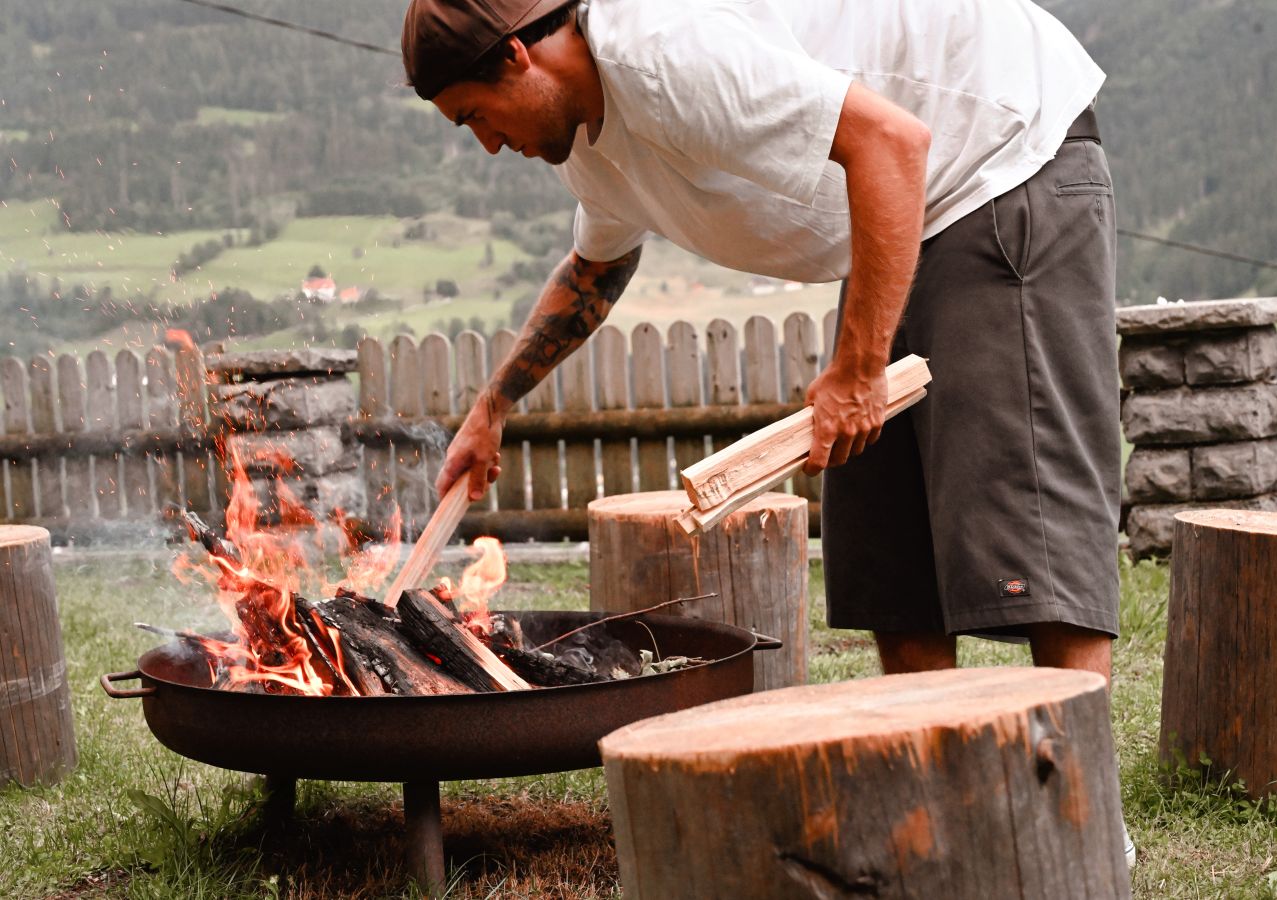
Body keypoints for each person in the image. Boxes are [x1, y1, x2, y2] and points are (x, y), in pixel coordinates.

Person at [403, 0, 1120, 703]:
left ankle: (1085, 818)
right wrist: (492, 408)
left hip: (1001, 153)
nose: (489, 143)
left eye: (475, 116)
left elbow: (890, 142)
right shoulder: (588, 145)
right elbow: (596, 270)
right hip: (900, 209)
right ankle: (941, 801)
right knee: (890, 563)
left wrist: (859, 370)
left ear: (516, 55)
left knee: (1030, 538)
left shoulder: (660, 51)